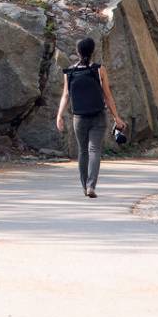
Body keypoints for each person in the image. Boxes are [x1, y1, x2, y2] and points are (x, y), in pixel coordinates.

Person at [54, 37, 126, 198]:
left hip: (78, 118)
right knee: (94, 150)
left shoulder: (70, 72)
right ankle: (91, 186)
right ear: (92, 51)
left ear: (78, 52)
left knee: (82, 151)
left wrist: (59, 115)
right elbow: (107, 95)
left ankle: (84, 185)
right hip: (98, 116)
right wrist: (116, 117)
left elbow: (65, 95)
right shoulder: (99, 70)